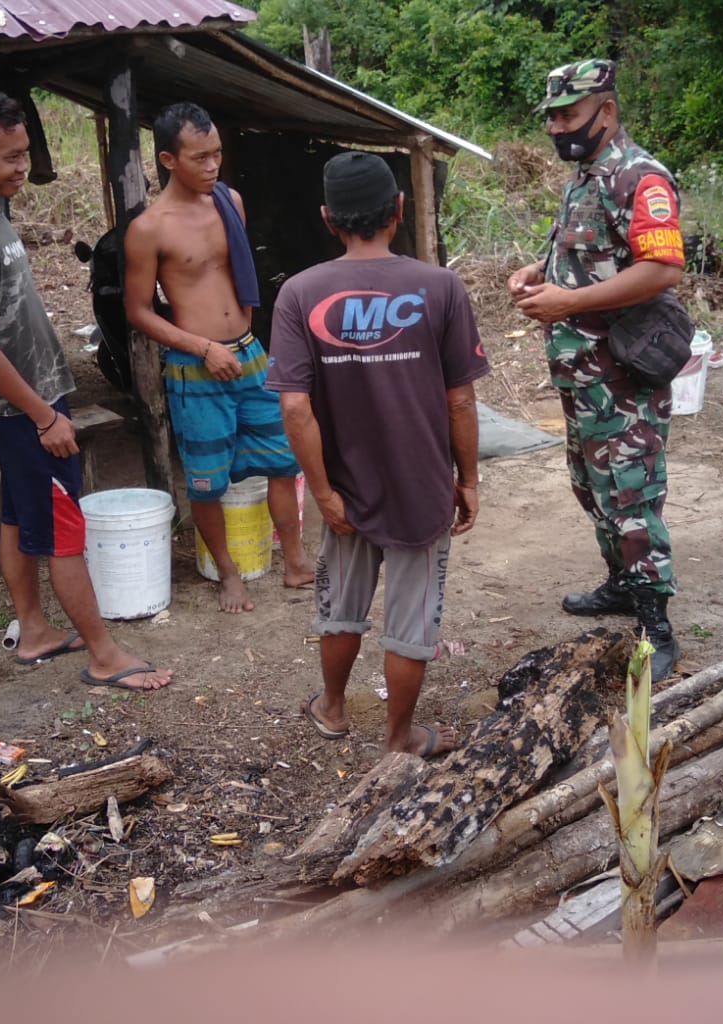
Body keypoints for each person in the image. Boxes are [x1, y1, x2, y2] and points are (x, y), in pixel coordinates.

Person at [0, 86, 171, 690]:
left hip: (30, 397)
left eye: (25, 153)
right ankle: (104, 655)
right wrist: (43, 416)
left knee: (20, 514)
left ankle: (34, 631)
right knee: (64, 526)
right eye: (10, 157)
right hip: (20, 407)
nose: (23, 168)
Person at [267, 152, 489, 757]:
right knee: (412, 620)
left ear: (327, 218)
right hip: (421, 486)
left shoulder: (299, 293)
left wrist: (323, 493)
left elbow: (294, 408)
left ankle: (333, 708)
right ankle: (399, 738)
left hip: (345, 487)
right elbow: (461, 399)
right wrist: (468, 479)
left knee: (341, 605)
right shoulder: (440, 287)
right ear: (399, 209)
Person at [508, 58, 684, 680]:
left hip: (622, 375)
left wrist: (569, 301)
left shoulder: (640, 177)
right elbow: (592, 249)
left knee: (631, 494)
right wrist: (539, 271)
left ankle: (656, 626)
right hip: (581, 372)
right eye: (551, 117)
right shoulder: (586, 175)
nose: (556, 127)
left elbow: (662, 269)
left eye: (569, 115)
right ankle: (620, 585)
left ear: (606, 111)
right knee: (592, 486)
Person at [124, 102, 312, 614]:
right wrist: (203, 347)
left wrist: (243, 339)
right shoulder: (149, 228)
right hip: (195, 366)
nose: (212, 166)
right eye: (199, 158)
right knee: (206, 482)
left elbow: (240, 275)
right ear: (168, 159)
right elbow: (138, 312)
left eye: (217, 154)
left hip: (249, 354)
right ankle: (228, 573)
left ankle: (296, 562)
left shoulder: (230, 201)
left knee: (282, 459)